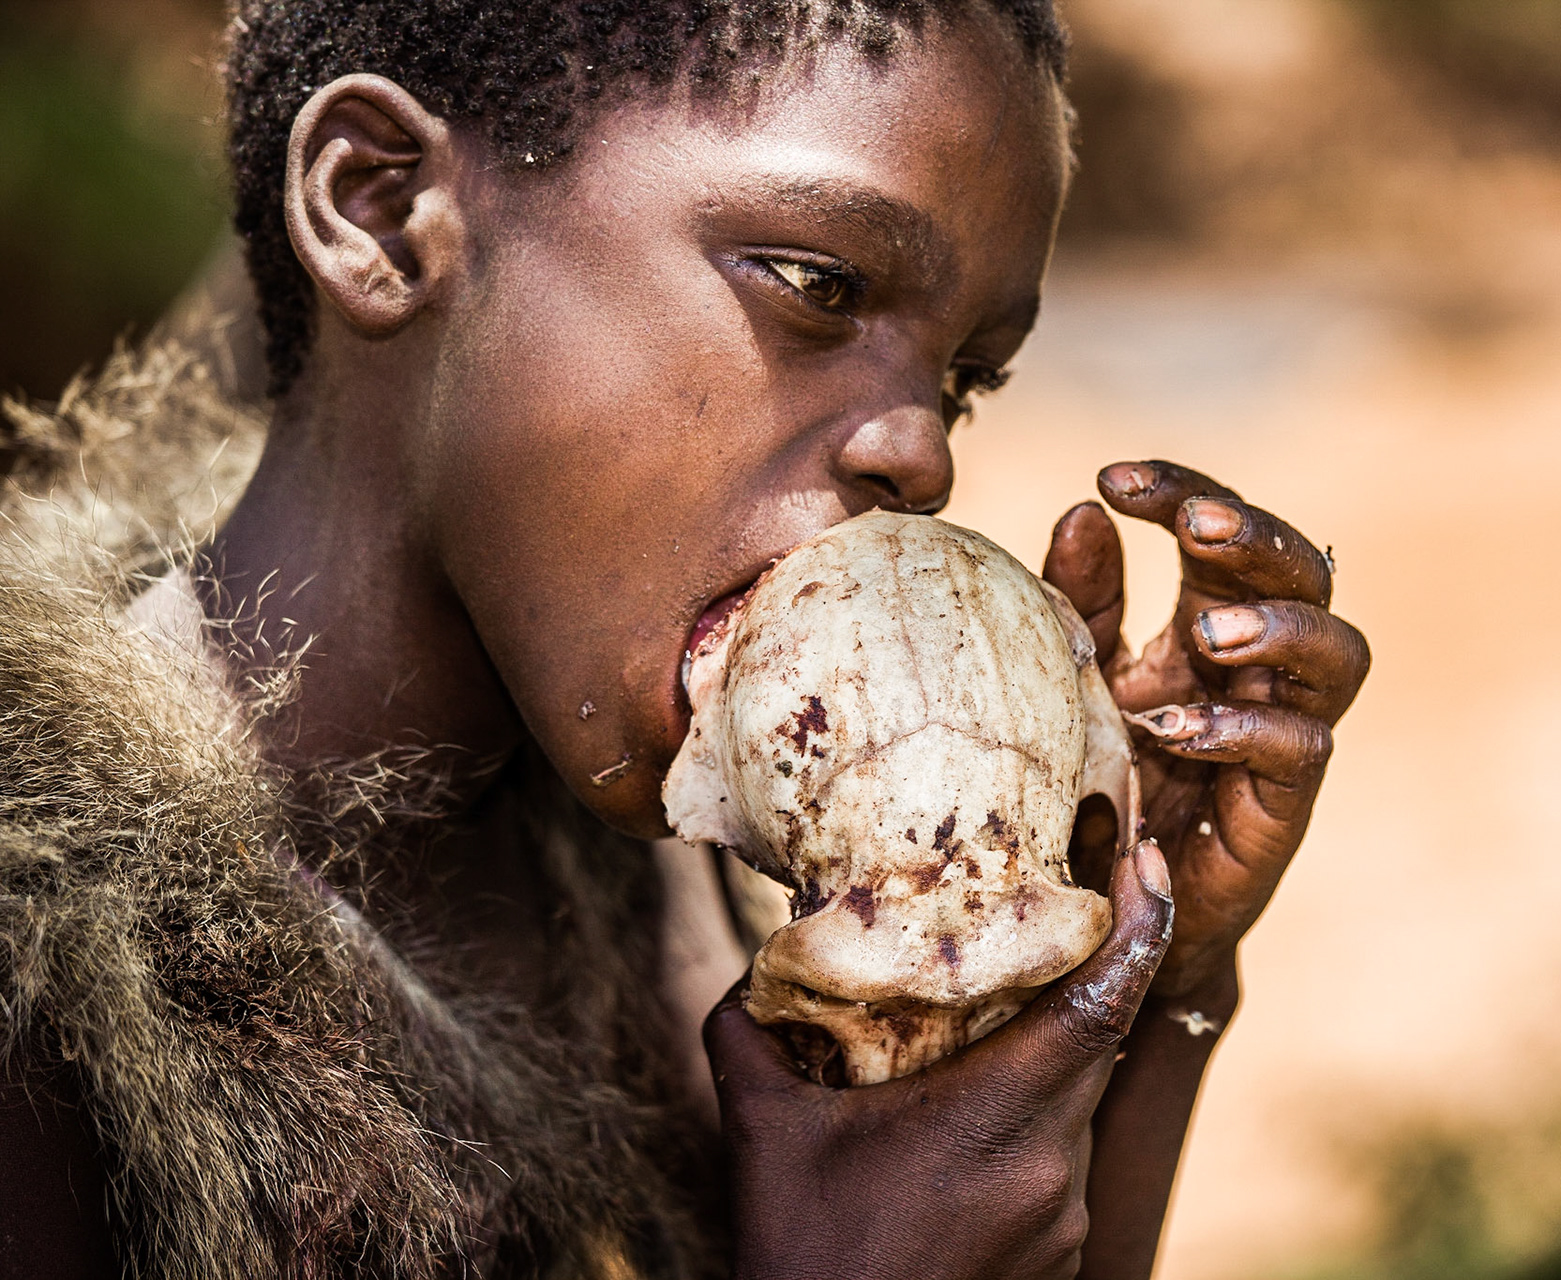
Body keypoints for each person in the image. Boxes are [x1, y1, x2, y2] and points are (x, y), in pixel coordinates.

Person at [0, 1, 1370, 1276]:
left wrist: (1138, 983)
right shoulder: (46, 987)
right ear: (380, 208)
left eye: (964, 376)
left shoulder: (680, 876)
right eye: (816, 284)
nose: (922, 453)